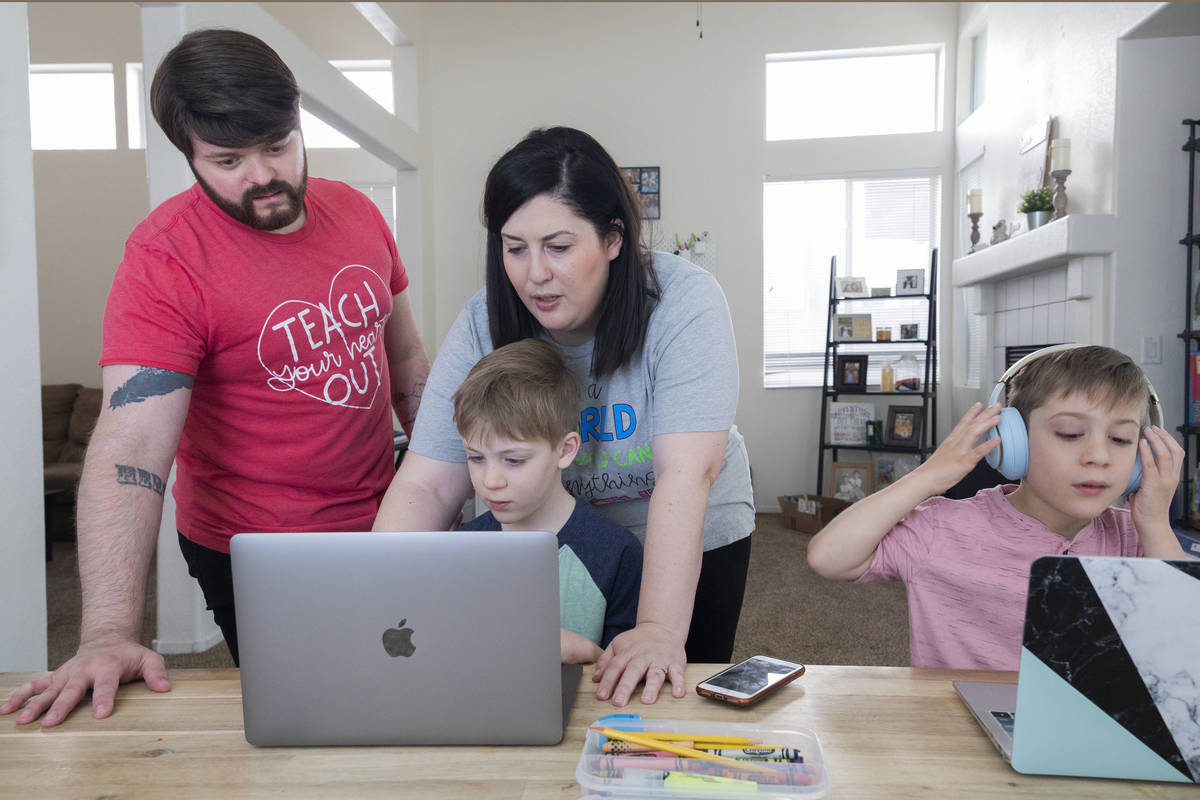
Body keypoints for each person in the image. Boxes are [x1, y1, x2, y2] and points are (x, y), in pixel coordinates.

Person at [1, 29, 429, 727]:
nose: (263, 175)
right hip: (257, 547)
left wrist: (452, 486)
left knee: (416, 690)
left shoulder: (356, 211)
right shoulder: (165, 261)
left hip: (390, 517)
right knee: (312, 718)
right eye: (229, 160)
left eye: (279, 145)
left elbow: (405, 355)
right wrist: (108, 632)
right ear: (188, 154)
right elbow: (132, 447)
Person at [373, 126, 754, 706]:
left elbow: (686, 474)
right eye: (514, 247)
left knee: (665, 700)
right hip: (543, 528)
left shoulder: (684, 302)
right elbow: (428, 479)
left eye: (558, 246)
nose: (533, 274)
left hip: (678, 525)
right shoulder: (483, 320)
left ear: (613, 239)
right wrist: (380, 602)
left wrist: (655, 629)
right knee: (535, 698)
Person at [807, 345, 1188, 670]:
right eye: (1070, 434)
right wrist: (928, 476)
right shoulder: (945, 528)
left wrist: (1156, 523)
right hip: (957, 735)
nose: (1098, 456)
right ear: (1011, 440)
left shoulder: (1137, 537)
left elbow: (1185, 639)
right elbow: (829, 557)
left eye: (1121, 439)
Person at [452, 339, 643, 664]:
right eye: (475, 458)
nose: (490, 481)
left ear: (566, 450)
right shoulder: (456, 549)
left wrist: (582, 653)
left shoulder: (617, 553)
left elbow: (624, 676)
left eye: (513, 460)